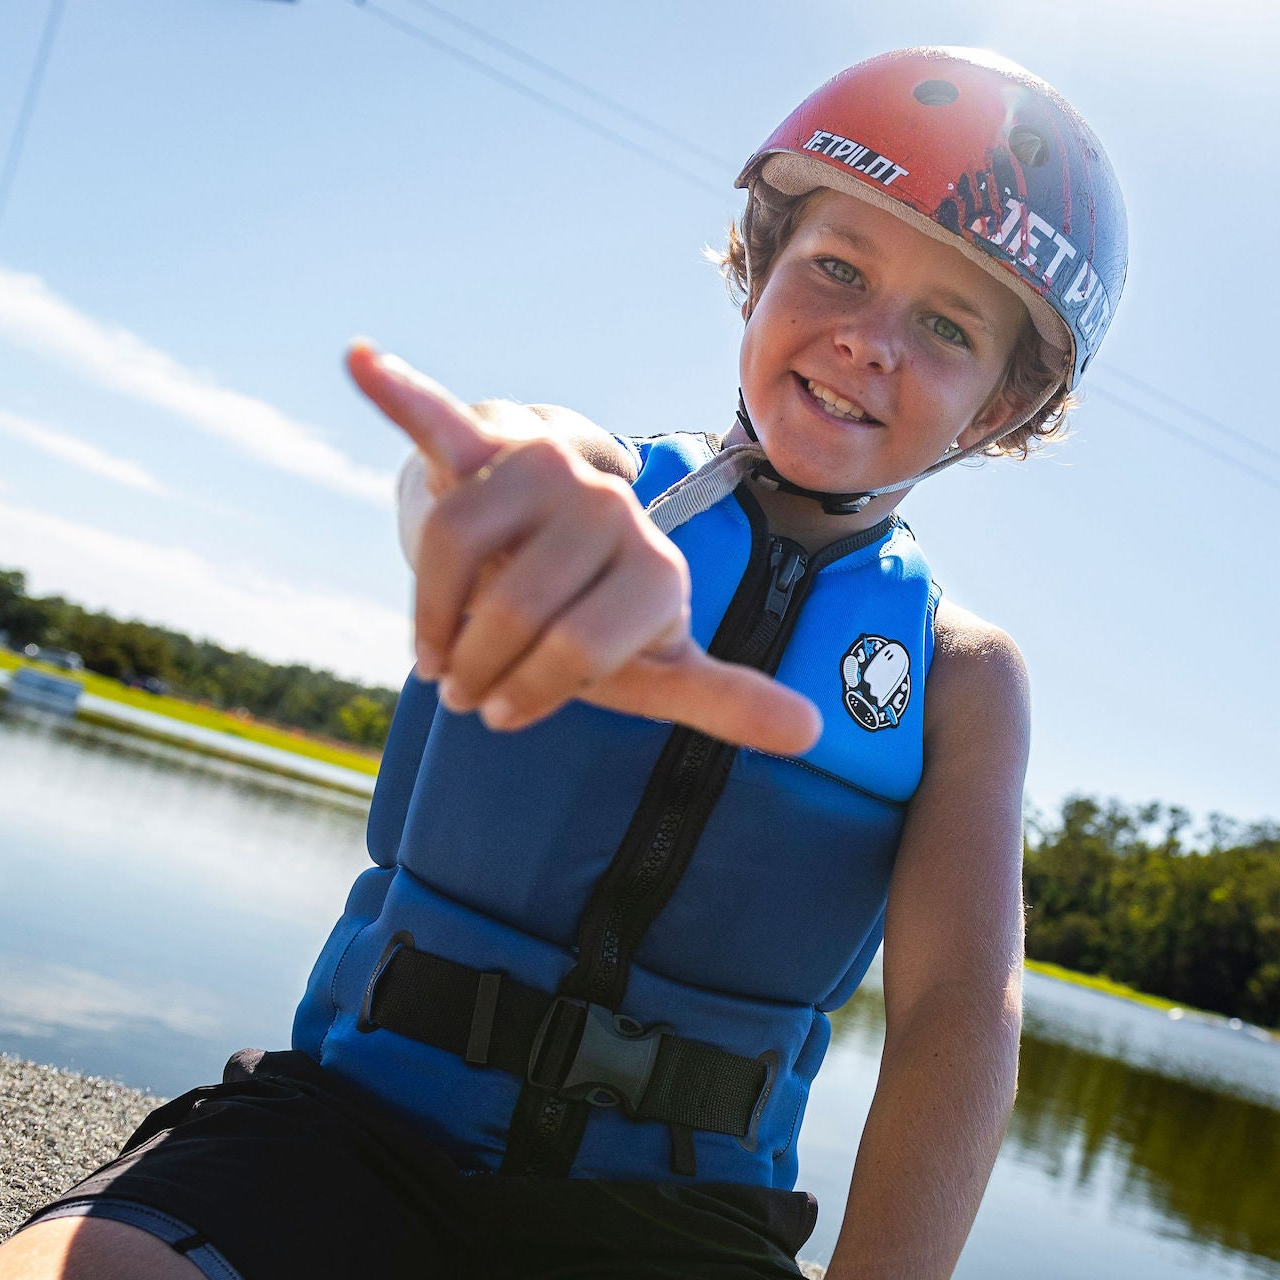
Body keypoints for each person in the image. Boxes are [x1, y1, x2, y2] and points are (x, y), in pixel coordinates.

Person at [0, 45, 1127, 1280]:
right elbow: (486, 471)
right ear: (755, 269)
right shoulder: (594, 479)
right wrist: (481, 489)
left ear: (997, 410)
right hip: (346, 1134)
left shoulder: (962, 677)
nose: (867, 340)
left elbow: (956, 1017)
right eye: (838, 268)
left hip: (676, 1226)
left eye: (945, 324)